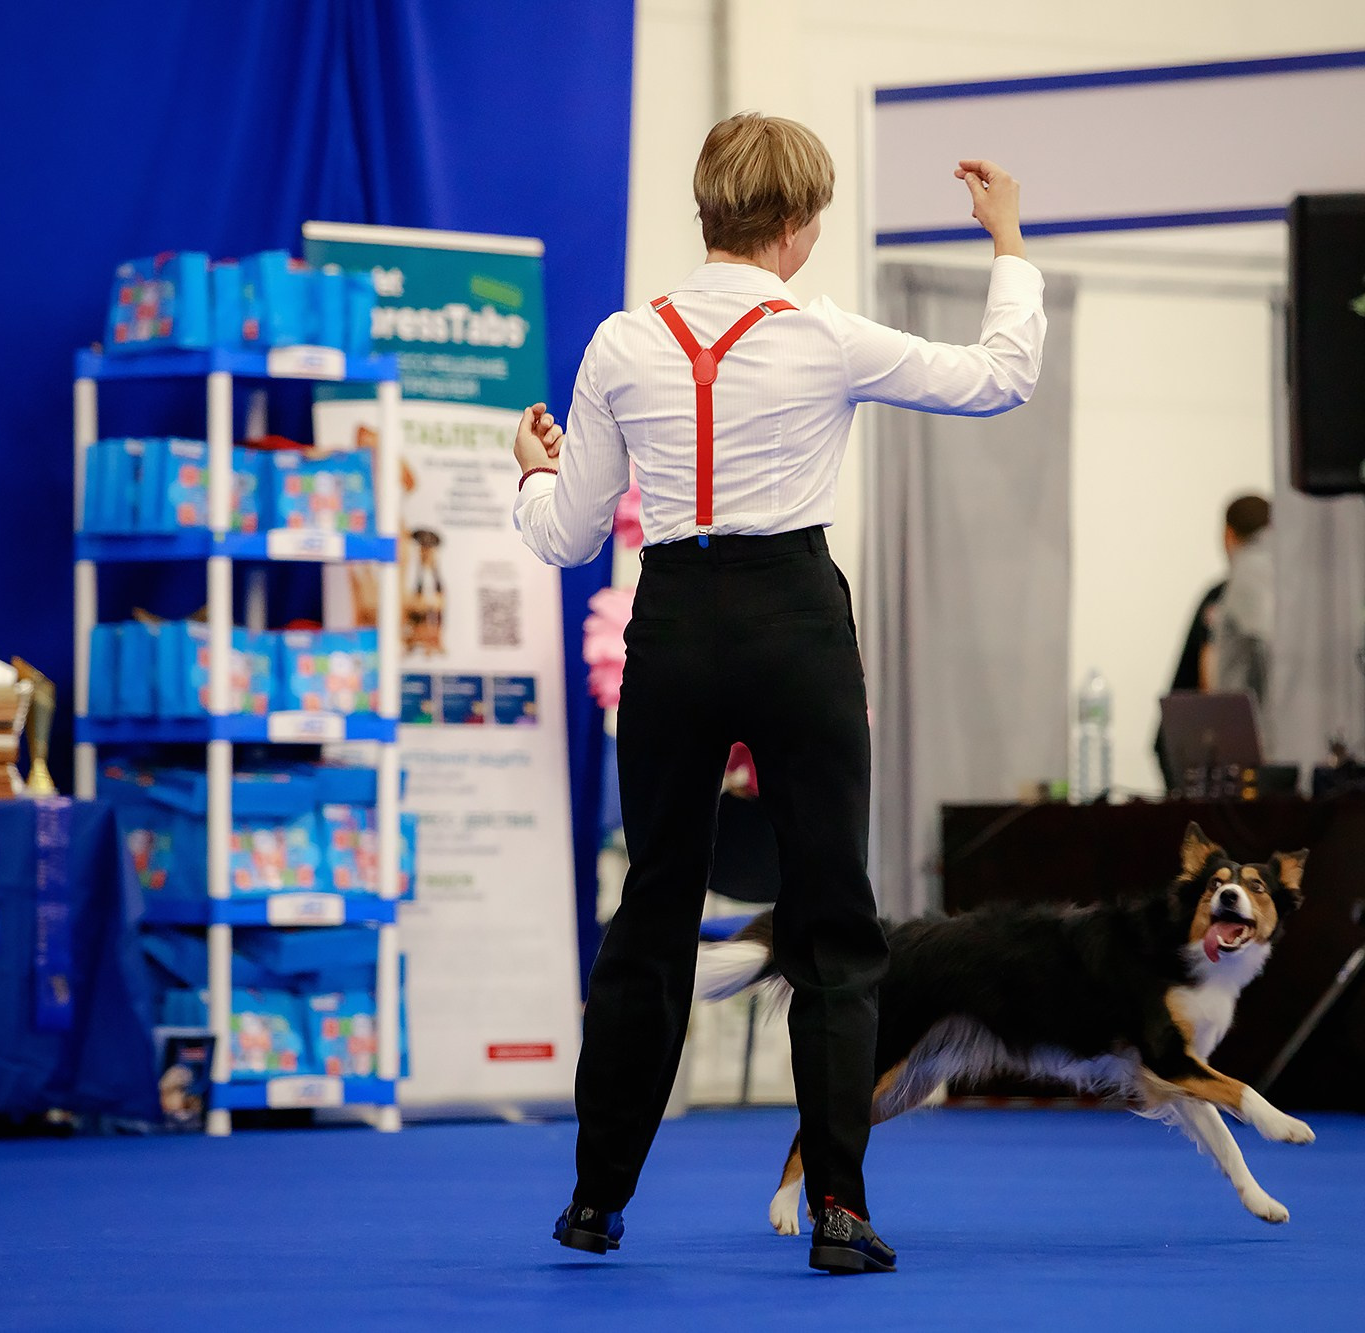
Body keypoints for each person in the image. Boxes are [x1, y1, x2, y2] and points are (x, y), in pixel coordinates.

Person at [511, 112, 1044, 1274]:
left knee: (649, 911)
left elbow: (564, 537)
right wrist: (1005, 239)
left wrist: (533, 474)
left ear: (706, 210)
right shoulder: (824, 335)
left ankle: (595, 1200)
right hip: (795, 619)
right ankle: (839, 1211)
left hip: (675, 625)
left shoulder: (618, 344)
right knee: (832, 918)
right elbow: (1002, 378)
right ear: (798, 229)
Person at [1155, 495, 1270, 787]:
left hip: (1210, 749)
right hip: (1223, 754)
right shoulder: (1229, 598)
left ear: (1228, 534)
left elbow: (1210, 666)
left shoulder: (1225, 593)